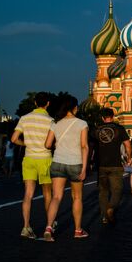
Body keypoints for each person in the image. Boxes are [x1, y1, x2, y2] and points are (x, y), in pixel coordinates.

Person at [42, 95, 89, 241]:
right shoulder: (82, 123)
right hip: (75, 163)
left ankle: (49, 227)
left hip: (58, 163)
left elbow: (47, 145)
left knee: (56, 197)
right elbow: (84, 146)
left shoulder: (55, 123)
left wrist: (59, 145)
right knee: (77, 197)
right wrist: (84, 168)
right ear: (75, 108)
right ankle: (77, 230)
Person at [11, 92, 54, 239]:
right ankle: (49, 225)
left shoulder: (24, 118)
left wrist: (25, 143)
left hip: (29, 158)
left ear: (35, 103)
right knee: (47, 194)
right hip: (45, 159)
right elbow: (52, 142)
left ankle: (26, 226)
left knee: (28, 195)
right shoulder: (51, 120)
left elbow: (14, 138)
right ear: (48, 103)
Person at [92, 107, 131, 225]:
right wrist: (128, 158)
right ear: (113, 117)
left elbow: (90, 146)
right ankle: (111, 208)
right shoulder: (119, 129)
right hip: (115, 165)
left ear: (102, 118)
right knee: (117, 190)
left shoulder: (96, 130)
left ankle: (104, 216)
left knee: (103, 192)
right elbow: (127, 145)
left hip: (101, 165)